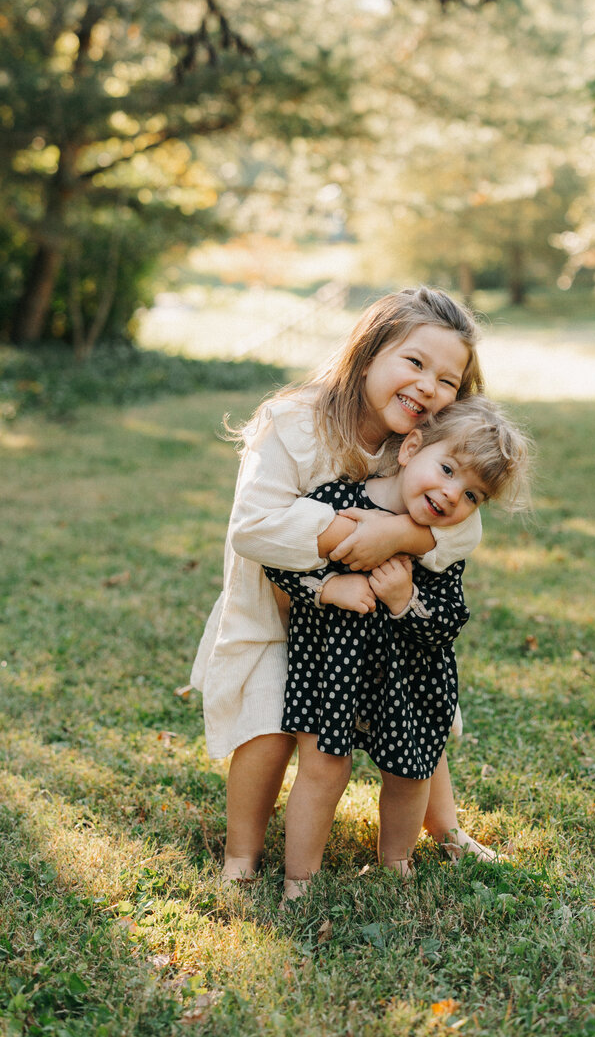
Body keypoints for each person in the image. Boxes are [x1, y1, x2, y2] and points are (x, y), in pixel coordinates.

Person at [190, 287, 498, 882]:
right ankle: (239, 858)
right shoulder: (294, 424)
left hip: (368, 628)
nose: (428, 387)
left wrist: (398, 536)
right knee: (268, 727)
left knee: (413, 719)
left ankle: (448, 828)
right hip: (279, 613)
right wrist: (342, 531)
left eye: (448, 380)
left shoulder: (426, 445)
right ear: (367, 354)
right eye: (414, 362)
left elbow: (465, 529)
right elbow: (253, 527)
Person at [263, 396, 529, 900]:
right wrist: (328, 588)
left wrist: (405, 600)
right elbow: (282, 562)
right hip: (333, 670)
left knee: (409, 771)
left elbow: (447, 624)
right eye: (447, 469)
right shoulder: (335, 499)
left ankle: (397, 864)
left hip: (410, 678)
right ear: (411, 447)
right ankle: (299, 879)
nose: (452, 495)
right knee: (323, 768)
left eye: (472, 495)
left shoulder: (440, 539)